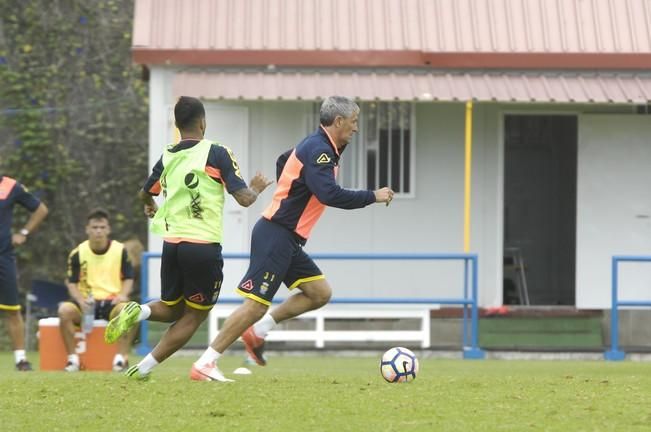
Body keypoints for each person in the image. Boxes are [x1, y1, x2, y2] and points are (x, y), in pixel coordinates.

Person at [191, 96, 394, 381]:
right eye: (354, 122)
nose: (356, 128)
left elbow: (284, 160)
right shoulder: (320, 150)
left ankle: (259, 330)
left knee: (319, 293)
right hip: (276, 233)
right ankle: (205, 363)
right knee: (256, 304)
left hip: (288, 237)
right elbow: (330, 194)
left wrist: (289, 191)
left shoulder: (319, 145)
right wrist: (372, 196)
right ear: (338, 122)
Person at [104, 96, 272, 380]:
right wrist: (255, 189)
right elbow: (243, 199)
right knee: (195, 315)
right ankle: (167, 365)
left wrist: (151, 205)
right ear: (203, 122)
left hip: (172, 245)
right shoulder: (216, 152)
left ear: (177, 125)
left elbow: (145, 191)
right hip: (202, 246)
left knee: (173, 309)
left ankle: (141, 322)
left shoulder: (168, 155)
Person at [58, 208, 136, 372]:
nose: (98, 231)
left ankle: (121, 359)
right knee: (64, 310)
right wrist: (80, 300)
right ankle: (73, 360)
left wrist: (122, 295)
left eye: (102, 227)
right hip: (87, 303)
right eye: (94, 227)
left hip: (112, 302)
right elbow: (71, 282)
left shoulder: (120, 250)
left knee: (130, 311)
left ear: (108, 229)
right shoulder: (77, 253)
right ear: (87, 229)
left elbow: (129, 277)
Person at [0, 175, 48, 371]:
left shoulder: (11, 186)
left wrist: (24, 233)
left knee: (12, 310)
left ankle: (21, 359)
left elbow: (41, 209)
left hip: (3, 257)